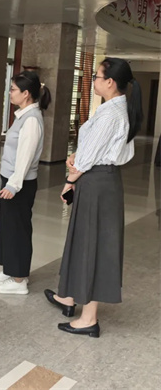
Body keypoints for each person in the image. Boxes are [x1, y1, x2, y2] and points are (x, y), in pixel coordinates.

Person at [45, 57, 143, 338]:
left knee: (94, 245)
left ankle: (89, 319)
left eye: (97, 77)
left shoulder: (112, 113)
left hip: (98, 183)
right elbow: (93, 148)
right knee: (84, 240)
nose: (94, 81)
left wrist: (70, 180)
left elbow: (90, 156)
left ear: (110, 82)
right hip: (98, 180)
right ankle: (69, 296)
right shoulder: (112, 108)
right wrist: (78, 158)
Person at [0, 71, 51, 295]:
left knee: (17, 230)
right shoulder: (23, 115)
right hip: (12, 180)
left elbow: (25, 156)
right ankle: (11, 269)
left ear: (26, 94)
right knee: (8, 227)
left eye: (13, 89)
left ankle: (18, 281)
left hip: (20, 184)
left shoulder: (32, 119)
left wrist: (13, 185)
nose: (10, 93)